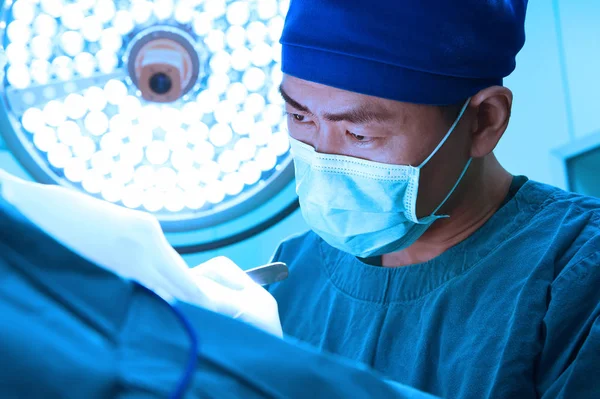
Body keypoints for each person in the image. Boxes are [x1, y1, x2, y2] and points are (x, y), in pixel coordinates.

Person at [262, 0, 600, 398]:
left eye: (359, 135)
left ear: (483, 122)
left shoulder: (575, 275)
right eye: (300, 118)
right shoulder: (290, 277)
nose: (321, 158)